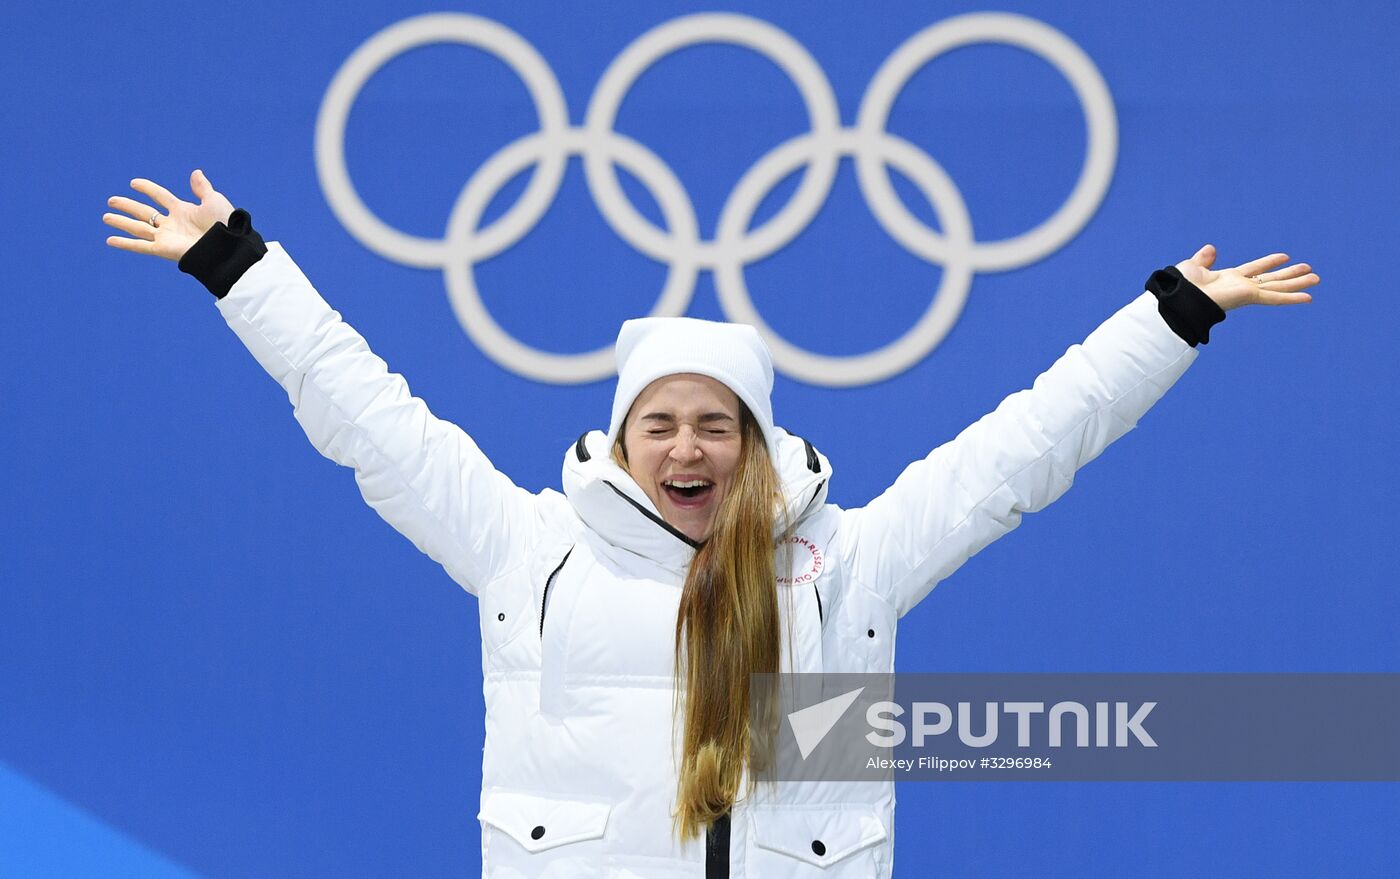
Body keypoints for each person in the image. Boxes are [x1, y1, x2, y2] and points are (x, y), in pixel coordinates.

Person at [104, 171, 1317, 878]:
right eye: (660, 424)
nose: (686, 447)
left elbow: (1028, 444)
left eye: (714, 424)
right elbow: (362, 410)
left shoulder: (844, 562)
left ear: (754, 440)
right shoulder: (525, 548)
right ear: (623, 439)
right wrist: (236, 265)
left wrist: (1170, 316)